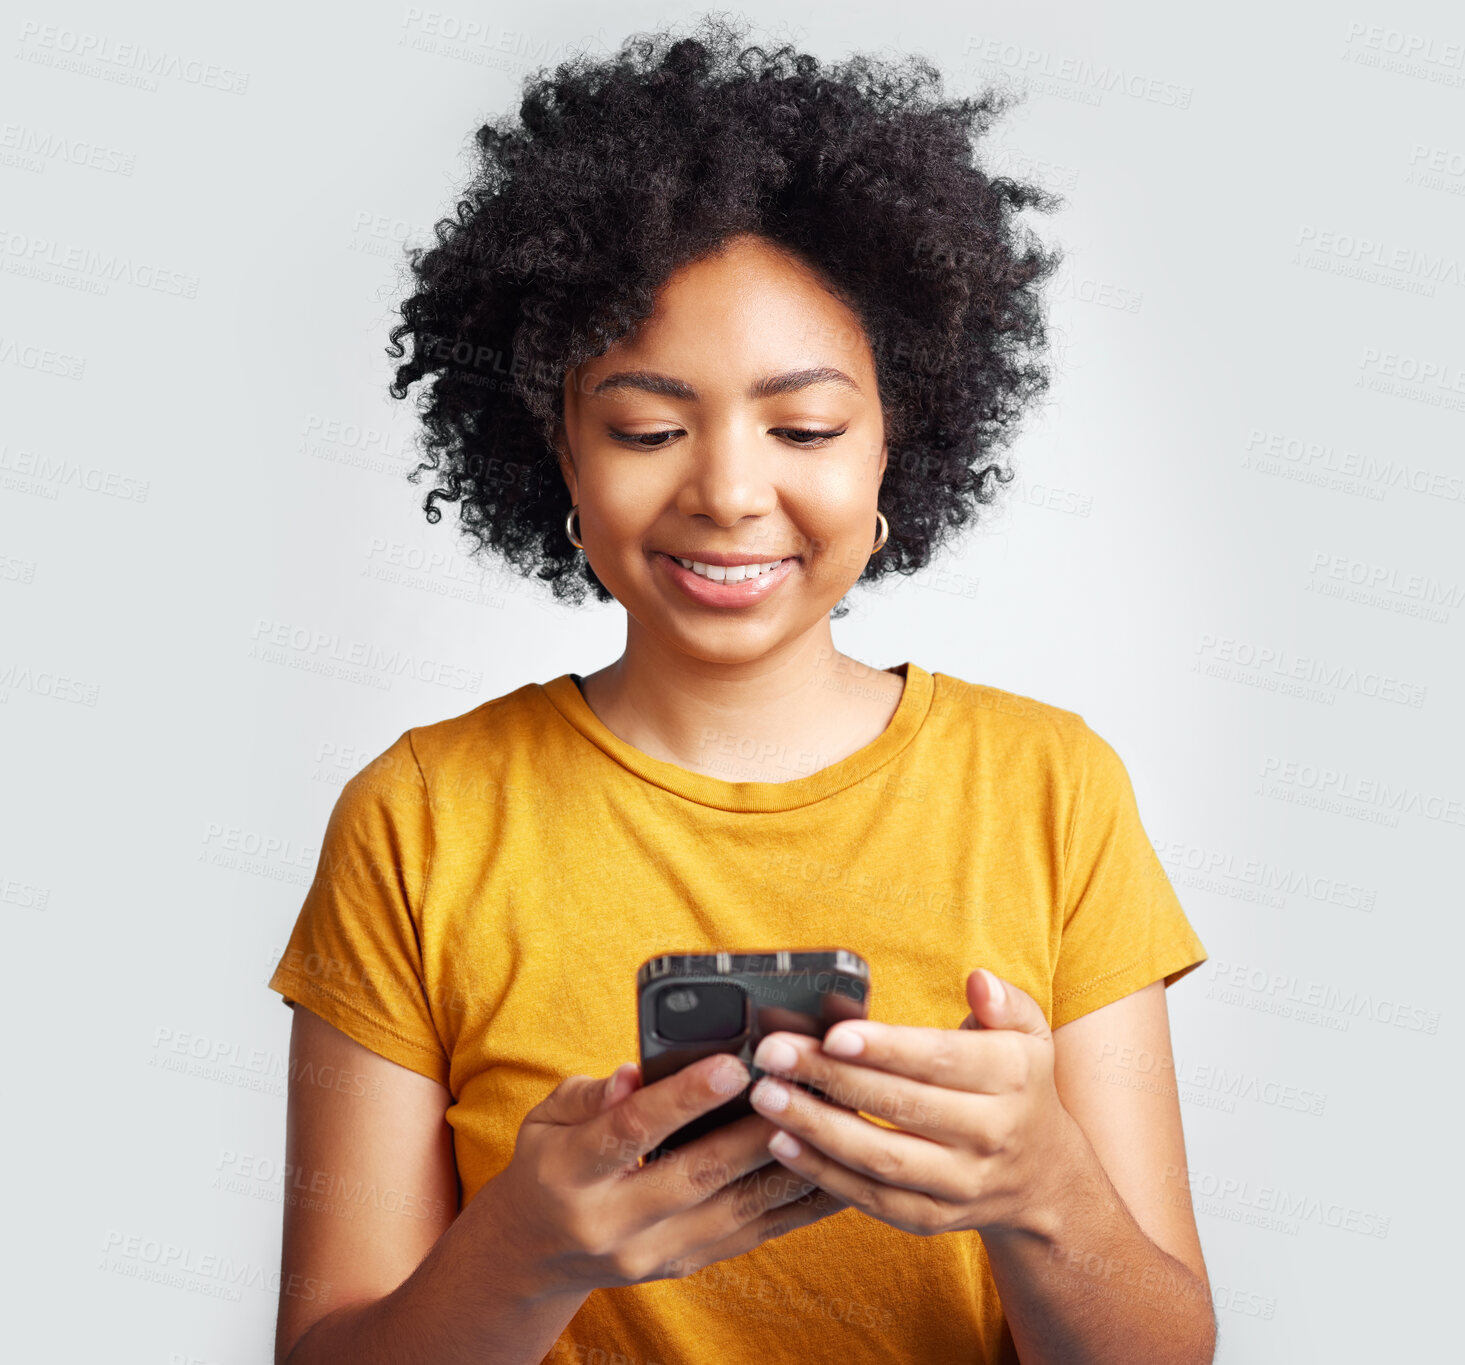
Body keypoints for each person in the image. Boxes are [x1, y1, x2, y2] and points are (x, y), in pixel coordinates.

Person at [267, 16, 1214, 1364]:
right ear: (558, 459)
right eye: (647, 427)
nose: (723, 490)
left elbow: (1164, 1350)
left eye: (806, 427)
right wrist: (523, 1252)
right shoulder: (419, 815)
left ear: (903, 436)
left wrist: (1042, 1191)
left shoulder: (1049, 786)